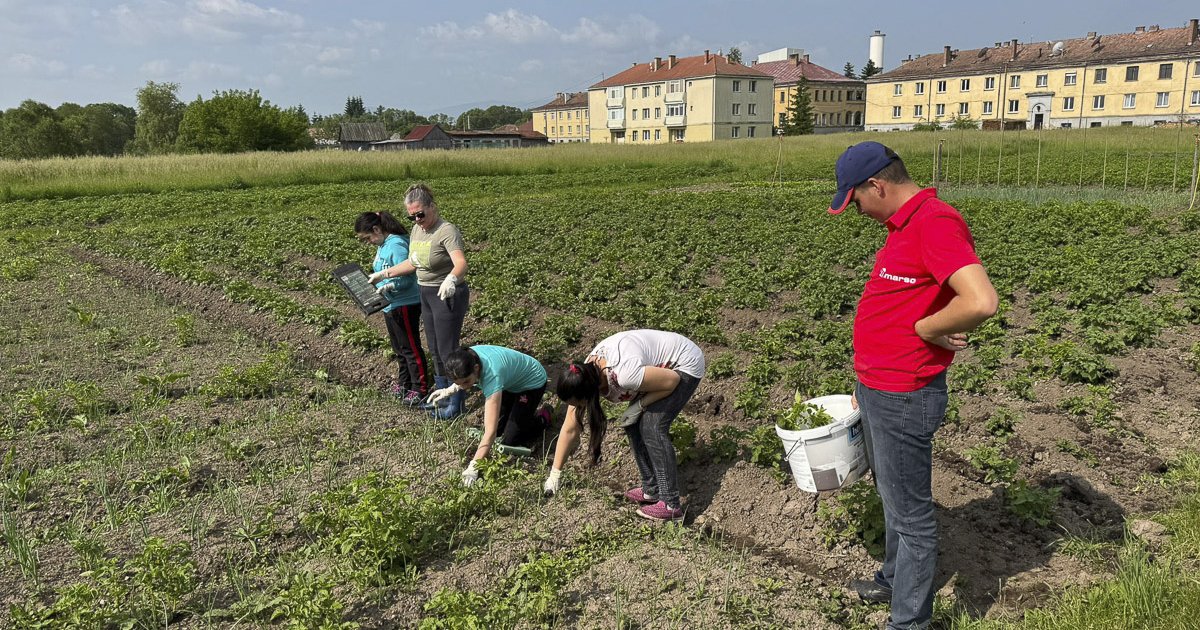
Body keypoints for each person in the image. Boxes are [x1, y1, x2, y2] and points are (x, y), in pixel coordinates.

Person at [828, 142, 998, 630]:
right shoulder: (902, 224)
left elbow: (982, 301)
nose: (855, 210)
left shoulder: (935, 221)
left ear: (876, 185)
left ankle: (909, 623)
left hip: (906, 393)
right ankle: (890, 578)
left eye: (855, 199)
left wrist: (927, 329)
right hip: (882, 388)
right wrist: (866, 377)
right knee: (892, 499)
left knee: (912, 517)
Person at [543, 329, 705, 523]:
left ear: (589, 394)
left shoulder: (624, 374)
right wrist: (555, 474)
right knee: (632, 423)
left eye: (579, 403)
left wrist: (640, 405)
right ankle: (651, 490)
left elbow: (672, 381)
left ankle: (671, 505)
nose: (578, 408)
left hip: (682, 364)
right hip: (653, 369)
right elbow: (571, 426)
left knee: (652, 427)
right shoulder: (584, 375)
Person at [368, 183, 470, 419]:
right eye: (411, 216)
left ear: (432, 207)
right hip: (426, 292)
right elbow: (413, 263)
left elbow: (461, 263)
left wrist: (452, 279)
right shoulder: (417, 231)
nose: (417, 220)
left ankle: (456, 402)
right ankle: (441, 395)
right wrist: (385, 274)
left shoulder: (446, 231)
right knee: (434, 348)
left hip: (446, 293)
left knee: (447, 349)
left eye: (420, 214)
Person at [431, 346, 551, 487]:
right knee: (499, 429)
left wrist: (474, 466)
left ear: (476, 368)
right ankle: (521, 412)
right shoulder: (465, 358)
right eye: (459, 384)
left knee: (510, 439)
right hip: (509, 382)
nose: (463, 387)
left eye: (466, 382)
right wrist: (450, 389)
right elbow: (494, 431)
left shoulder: (492, 375)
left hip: (531, 382)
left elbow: (490, 432)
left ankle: (543, 417)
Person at [355, 211, 428, 405]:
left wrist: (390, 285)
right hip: (390, 304)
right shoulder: (383, 245)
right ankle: (404, 384)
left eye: (367, 237)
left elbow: (408, 276)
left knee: (410, 347)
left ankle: (419, 389)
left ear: (377, 229)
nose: (368, 242)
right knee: (399, 348)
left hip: (405, 302)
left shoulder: (396, 244)